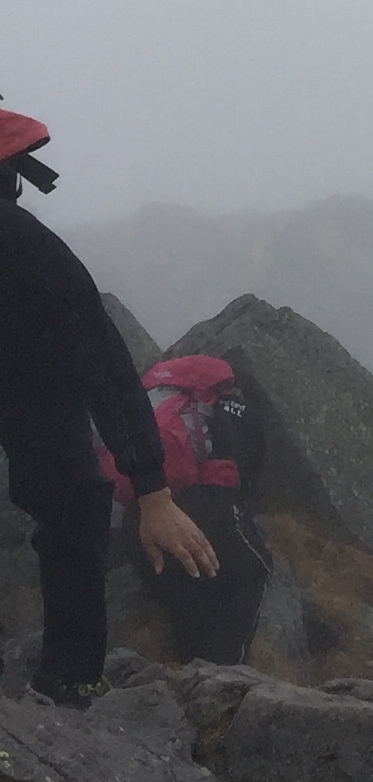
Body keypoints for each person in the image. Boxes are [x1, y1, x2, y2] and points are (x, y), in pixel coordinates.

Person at [0, 105, 218, 707]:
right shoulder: (24, 246)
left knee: (71, 496)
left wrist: (151, 487)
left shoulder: (20, 247)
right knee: (72, 502)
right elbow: (103, 362)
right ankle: (69, 685)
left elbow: (98, 361)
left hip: (25, 369)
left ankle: (68, 682)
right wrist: (153, 491)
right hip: (30, 371)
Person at [106, 348, 273, 664]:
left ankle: (187, 669)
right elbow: (247, 466)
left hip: (141, 514)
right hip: (208, 504)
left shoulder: (159, 397)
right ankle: (227, 675)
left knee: (186, 592)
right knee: (254, 570)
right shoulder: (233, 404)